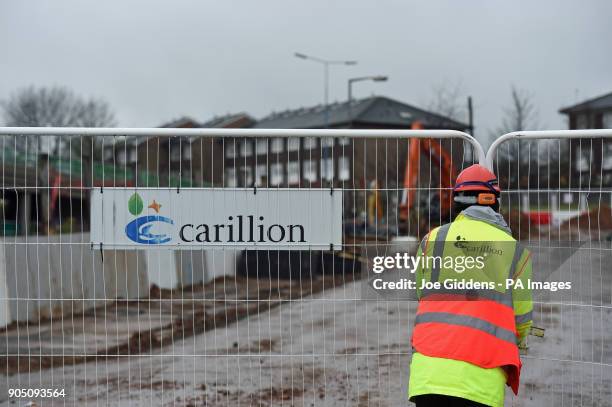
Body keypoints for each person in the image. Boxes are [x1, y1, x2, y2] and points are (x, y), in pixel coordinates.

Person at [408, 164, 533, 407]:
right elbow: (522, 321)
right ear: (494, 201)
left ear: (457, 201)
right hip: (481, 384)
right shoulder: (517, 252)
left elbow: (422, 293)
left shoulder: (433, 240)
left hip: (428, 378)